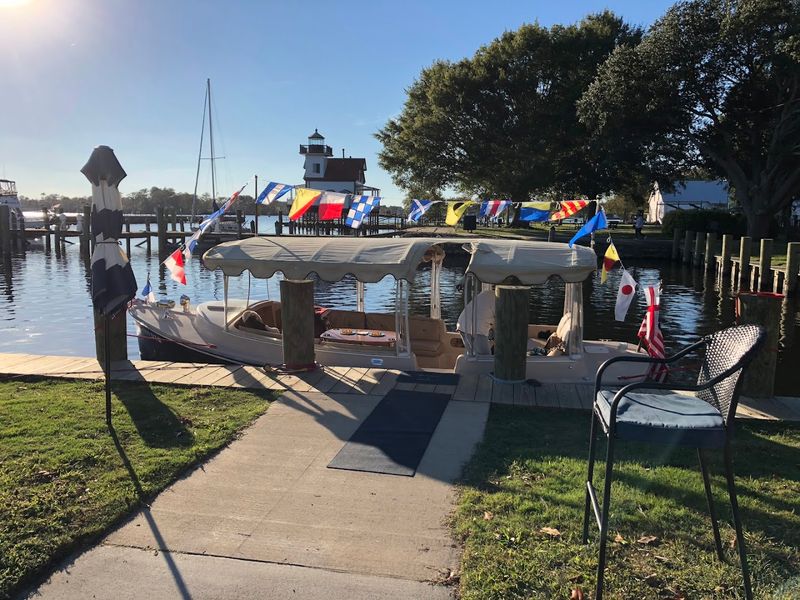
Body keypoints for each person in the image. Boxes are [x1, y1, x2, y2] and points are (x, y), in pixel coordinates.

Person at [456, 289, 495, 355]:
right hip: (475, 328)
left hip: (463, 324)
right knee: (485, 359)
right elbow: (500, 323)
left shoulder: (488, 293)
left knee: (473, 357)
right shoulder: (499, 299)